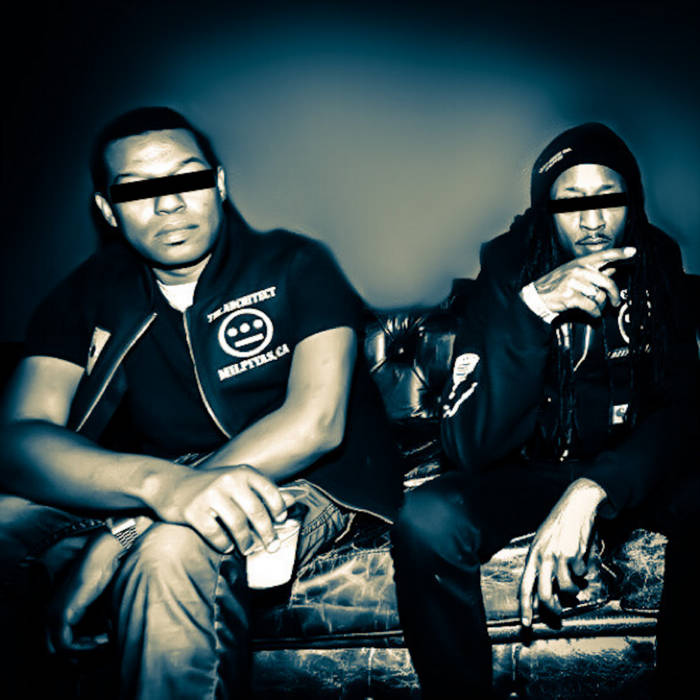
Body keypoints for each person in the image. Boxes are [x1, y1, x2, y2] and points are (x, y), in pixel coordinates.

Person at [0, 107, 403, 698]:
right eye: (138, 190)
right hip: (162, 476)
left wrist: (128, 530)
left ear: (219, 183)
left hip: (307, 478)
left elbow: (315, 423)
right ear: (107, 211)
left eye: (186, 179)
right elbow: (18, 438)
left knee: (170, 549)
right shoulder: (87, 295)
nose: (169, 204)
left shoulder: (296, 263)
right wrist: (161, 488)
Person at [391, 123, 699, 698]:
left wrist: (593, 488)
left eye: (608, 198)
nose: (592, 220)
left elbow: (682, 414)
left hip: (625, 468)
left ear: (632, 200)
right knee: (427, 520)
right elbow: (469, 445)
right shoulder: (507, 269)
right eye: (570, 202)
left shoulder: (659, 262)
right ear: (544, 208)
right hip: (528, 468)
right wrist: (530, 312)